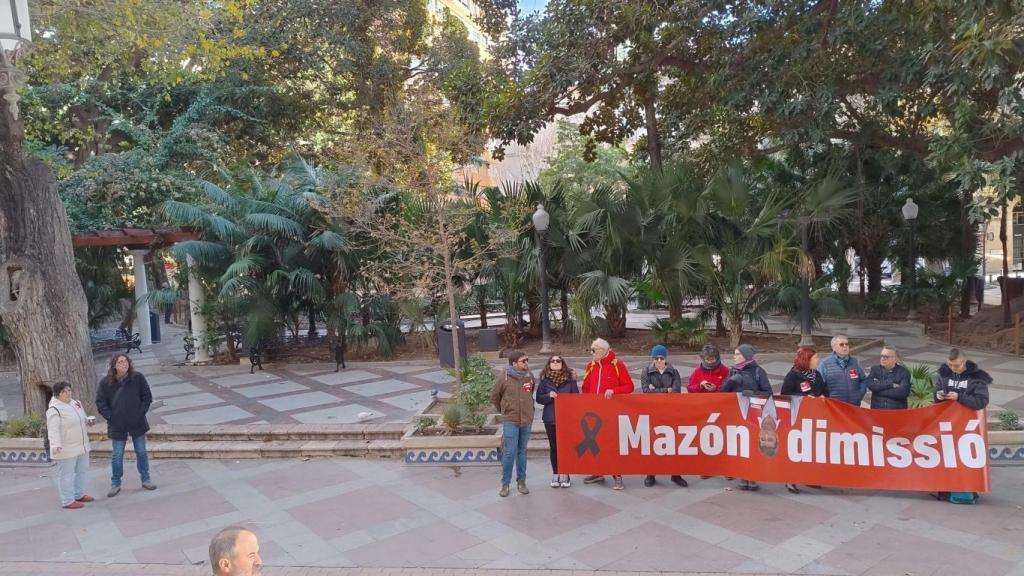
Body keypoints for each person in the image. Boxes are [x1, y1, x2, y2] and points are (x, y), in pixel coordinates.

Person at [932, 348, 991, 504]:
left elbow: (981, 401)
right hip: (947, 426)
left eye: (956, 365)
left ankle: (965, 492)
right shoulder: (943, 374)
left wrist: (959, 397)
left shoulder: (977, 378)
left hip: (968, 428)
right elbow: (937, 393)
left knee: (964, 459)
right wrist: (938, 396)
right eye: (950, 365)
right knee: (946, 459)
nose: (953, 368)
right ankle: (944, 491)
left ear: (964, 362)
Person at [95, 353, 156, 497]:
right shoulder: (105, 383)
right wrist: (110, 417)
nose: (124, 364)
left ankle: (145, 478)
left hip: (137, 421)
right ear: (114, 366)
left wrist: (140, 413)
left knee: (141, 451)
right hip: (117, 424)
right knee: (117, 455)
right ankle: (115, 482)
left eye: (126, 361)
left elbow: (147, 397)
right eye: (120, 362)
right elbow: (100, 403)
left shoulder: (138, 378)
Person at [581, 338, 635, 490]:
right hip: (594, 413)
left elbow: (629, 386)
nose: (591, 353)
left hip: (612, 413)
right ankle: (597, 472)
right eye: (591, 349)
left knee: (612, 444)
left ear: (604, 351)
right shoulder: (590, 366)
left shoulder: (617, 365)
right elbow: (586, 388)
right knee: (595, 443)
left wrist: (614, 391)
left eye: (594, 350)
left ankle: (617, 475)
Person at [721, 344, 772, 491]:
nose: (734, 357)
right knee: (740, 445)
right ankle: (743, 475)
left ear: (746, 356)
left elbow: (768, 392)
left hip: (753, 414)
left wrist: (753, 393)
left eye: (737, 354)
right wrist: (731, 381)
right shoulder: (732, 371)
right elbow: (723, 391)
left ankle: (753, 476)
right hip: (736, 414)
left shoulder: (758, 371)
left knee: (752, 445)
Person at [640, 344, 688, 488]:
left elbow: (676, 391)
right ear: (653, 359)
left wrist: (657, 390)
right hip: (653, 412)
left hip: (671, 411)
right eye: (656, 358)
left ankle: (676, 474)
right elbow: (646, 391)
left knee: (673, 443)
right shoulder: (646, 372)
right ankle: (651, 474)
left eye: (661, 358)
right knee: (654, 443)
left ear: (665, 358)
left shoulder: (673, 372)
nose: (659, 360)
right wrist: (664, 390)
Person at [491, 350, 536, 497]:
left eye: (527, 360)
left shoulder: (529, 376)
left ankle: (521, 481)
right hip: (511, 420)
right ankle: (505, 484)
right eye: (523, 361)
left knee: (522, 451)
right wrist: (505, 410)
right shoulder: (504, 377)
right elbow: (495, 397)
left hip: (526, 419)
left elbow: (531, 392)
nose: (526, 363)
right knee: (510, 452)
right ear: (514, 363)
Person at [46, 382, 95, 509]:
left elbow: (82, 418)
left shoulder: (75, 403)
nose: (68, 393)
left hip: (82, 445)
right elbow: (53, 429)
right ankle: (67, 500)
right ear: (57, 394)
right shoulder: (54, 409)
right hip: (66, 448)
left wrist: (88, 420)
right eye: (64, 392)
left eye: (69, 390)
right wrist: (56, 444)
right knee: (66, 475)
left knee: (81, 471)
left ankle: (79, 494)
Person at [535, 354, 579, 488]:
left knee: (565, 447)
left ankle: (566, 473)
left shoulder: (570, 381)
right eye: (552, 361)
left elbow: (576, 398)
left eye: (558, 361)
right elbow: (539, 398)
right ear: (549, 364)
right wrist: (549, 396)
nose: (555, 363)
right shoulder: (545, 381)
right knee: (554, 447)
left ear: (562, 363)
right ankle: (556, 473)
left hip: (566, 418)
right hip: (550, 418)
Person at [818, 334, 867, 405]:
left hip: (854, 405)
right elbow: (818, 385)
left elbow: (863, 380)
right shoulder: (825, 364)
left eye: (847, 344)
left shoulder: (855, 362)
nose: (845, 346)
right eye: (841, 344)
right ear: (834, 348)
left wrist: (859, 395)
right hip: (835, 406)